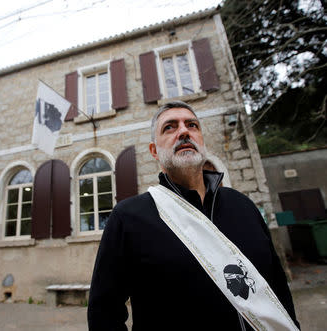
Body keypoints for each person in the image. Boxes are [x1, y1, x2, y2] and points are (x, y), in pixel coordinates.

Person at [87, 101, 300, 330]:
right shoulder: (128, 218)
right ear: (154, 151)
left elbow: (277, 290)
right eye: (170, 127)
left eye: (192, 125)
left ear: (202, 142)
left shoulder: (244, 206)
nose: (184, 131)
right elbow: (104, 313)